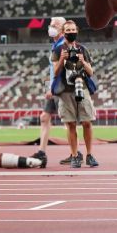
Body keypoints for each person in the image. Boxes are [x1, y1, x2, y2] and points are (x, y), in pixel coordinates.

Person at [53, 20, 98, 168]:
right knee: (70, 124)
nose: (71, 32)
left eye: (73, 30)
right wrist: (61, 59)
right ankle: (74, 155)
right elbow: (55, 72)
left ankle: (90, 154)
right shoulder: (58, 49)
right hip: (66, 91)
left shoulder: (82, 49)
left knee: (87, 122)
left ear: (77, 31)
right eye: (68, 30)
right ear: (63, 32)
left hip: (82, 87)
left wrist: (83, 62)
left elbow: (91, 72)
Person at [30, 16, 67, 168]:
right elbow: (51, 69)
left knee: (67, 122)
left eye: (54, 25)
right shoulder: (54, 45)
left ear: (62, 28)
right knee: (44, 117)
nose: (50, 28)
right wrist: (48, 87)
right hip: (53, 87)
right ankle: (41, 152)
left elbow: (63, 69)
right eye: (50, 24)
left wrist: (53, 87)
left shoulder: (64, 45)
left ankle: (76, 153)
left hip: (62, 88)